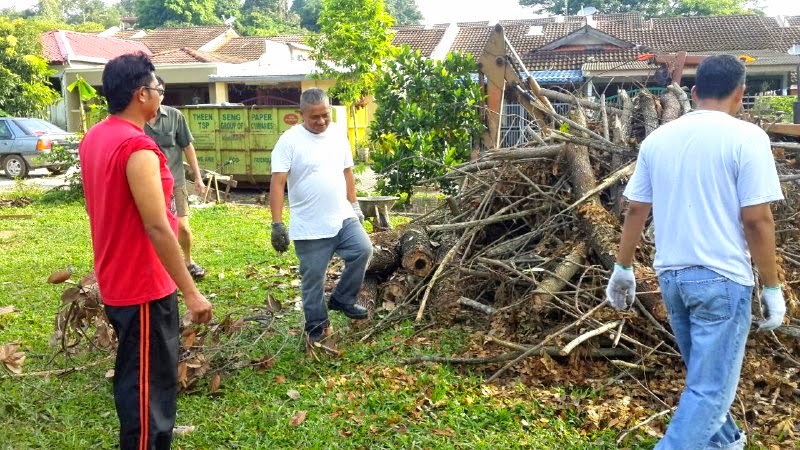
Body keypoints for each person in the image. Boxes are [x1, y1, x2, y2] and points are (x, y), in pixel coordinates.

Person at [605, 54, 786, 450]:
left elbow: (635, 208)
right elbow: (757, 221)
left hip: (673, 278)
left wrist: (623, 267)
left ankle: (727, 443)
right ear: (740, 94)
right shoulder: (747, 138)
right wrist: (772, 289)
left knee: (705, 381)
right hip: (722, 281)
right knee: (708, 390)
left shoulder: (658, 139)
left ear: (693, 92)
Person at [79, 53, 213, 450]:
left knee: (143, 376)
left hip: (118, 273)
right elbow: (156, 224)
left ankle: (160, 432)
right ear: (141, 94)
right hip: (142, 283)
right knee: (145, 384)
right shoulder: (136, 147)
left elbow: (97, 206)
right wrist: (190, 290)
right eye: (158, 89)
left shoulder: (96, 137)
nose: (161, 96)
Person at [269, 88, 372, 350]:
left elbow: (347, 172)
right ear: (301, 114)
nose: (321, 121)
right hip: (310, 226)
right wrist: (277, 223)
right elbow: (278, 183)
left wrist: (355, 206)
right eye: (314, 117)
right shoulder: (289, 141)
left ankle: (342, 299)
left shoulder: (338, 135)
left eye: (325, 115)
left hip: (342, 216)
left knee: (363, 250)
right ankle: (316, 325)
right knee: (313, 279)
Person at [145, 76, 207, 279]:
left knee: (182, 227)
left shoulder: (175, 116)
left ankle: (188, 261)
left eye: (162, 92)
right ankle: (159, 265)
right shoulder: (138, 119)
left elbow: (187, 146)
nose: (159, 96)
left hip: (175, 183)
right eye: (157, 91)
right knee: (155, 228)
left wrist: (198, 177)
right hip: (147, 186)